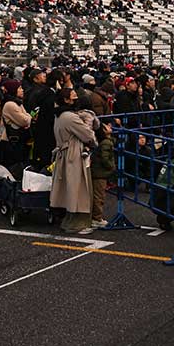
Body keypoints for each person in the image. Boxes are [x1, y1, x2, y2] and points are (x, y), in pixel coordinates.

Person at [49, 87, 97, 235]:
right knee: (78, 189)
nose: (76, 99)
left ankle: (69, 221)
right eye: (73, 96)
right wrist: (93, 141)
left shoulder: (59, 115)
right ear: (66, 100)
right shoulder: (70, 117)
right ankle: (77, 224)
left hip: (65, 153)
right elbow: (87, 134)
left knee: (69, 188)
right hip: (74, 154)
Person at [90, 120, 117, 229]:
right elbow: (105, 158)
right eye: (106, 126)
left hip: (99, 172)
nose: (109, 125)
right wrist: (112, 166)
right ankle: (97, 218)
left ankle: (96, 217)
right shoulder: (106, 143)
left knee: (98, 195)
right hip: (100, 173)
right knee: (99, 196)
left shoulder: (106, 141)